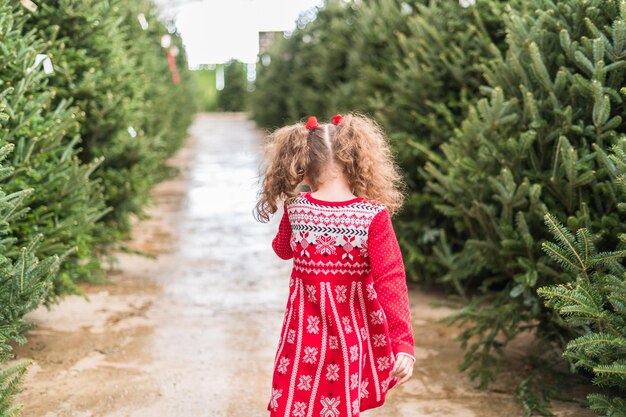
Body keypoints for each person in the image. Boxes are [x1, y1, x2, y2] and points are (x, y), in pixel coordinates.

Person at [254, 112, 415, 417]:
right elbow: (390, 279)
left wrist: (293, 208)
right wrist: (403, 343)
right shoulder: (372, 216)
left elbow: (281, 250)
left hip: (302, 336)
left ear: (304, 166)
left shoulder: (297, 208)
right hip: (350, 337)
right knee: (339, 406)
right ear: (355, 161)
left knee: (297, 401)